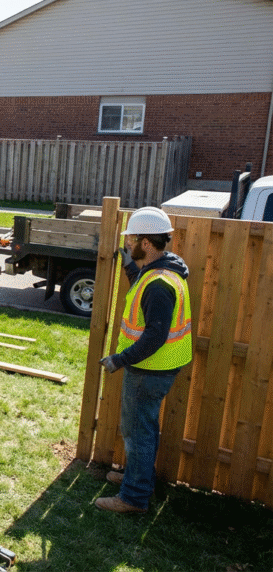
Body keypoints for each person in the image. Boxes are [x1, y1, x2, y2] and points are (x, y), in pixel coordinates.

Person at [96, 206, 192, 514]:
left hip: (150, 369)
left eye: (132, 239)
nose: (127, 243)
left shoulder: (160, 285)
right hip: (157, 367)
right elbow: (143, 287)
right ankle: (137, 477)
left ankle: (134, 497)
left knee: (138, 430)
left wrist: (119, 359)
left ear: (146, 243)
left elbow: (154, 337)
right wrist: (128, 267)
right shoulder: (162, 271)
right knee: (140, 427)